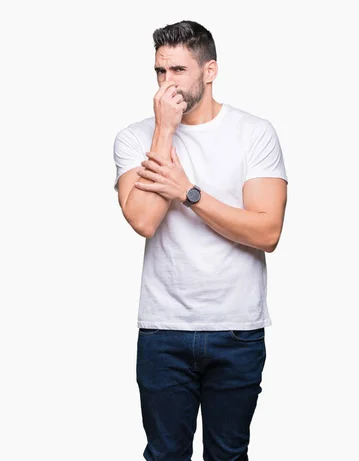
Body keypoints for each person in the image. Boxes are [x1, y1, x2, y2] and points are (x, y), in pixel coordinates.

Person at [112, 20, 288, 461]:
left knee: (228, 455)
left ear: (209, 71)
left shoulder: (254, 133)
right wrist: (165, 131)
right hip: (163, 330)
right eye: (160, 72)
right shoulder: (136, 139)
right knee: (164, 455)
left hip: (236, 329)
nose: (166, 84)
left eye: (178, 71)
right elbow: (144, 221)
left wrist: (188, 195)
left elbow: (267, 232)